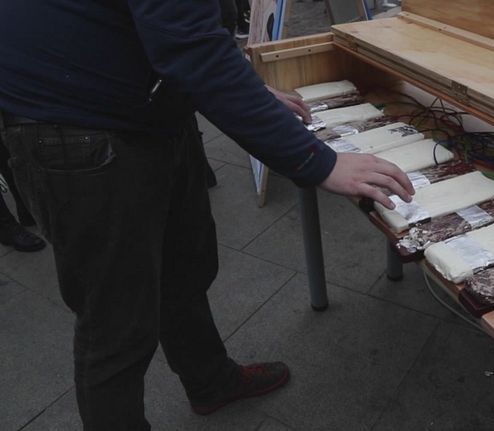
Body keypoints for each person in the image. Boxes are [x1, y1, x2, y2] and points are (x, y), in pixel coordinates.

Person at [0, 1, 414, 430]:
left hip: (143, 106)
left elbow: (182, 32)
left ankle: (210, 382)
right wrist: (317, 162)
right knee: (115, 324)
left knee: (184, 270)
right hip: (78, 130)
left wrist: (243, 89)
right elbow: (191, 47)